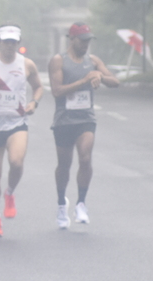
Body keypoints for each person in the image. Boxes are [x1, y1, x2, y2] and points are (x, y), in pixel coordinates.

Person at [0, 24, 43, 237]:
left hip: (16, 121)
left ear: (18, 43)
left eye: (13, 42)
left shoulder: (27, 64)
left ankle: (10, 193)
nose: (10, 46)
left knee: (16, 162)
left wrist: (34, 103)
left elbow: (38, 87)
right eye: (6, 41)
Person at [48, 23, 120, 228]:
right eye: (82, 40)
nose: (86, 44)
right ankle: (62, 203)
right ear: (72, 39)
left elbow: (115, 82)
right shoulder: (58, 61)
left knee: (85, 157)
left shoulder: (93, 61)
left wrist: (100, 76)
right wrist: (84, 80)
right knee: (64, 165)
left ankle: (81, 202)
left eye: (89, 40)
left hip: (86, 119)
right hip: (64, 119)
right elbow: (56, 90)